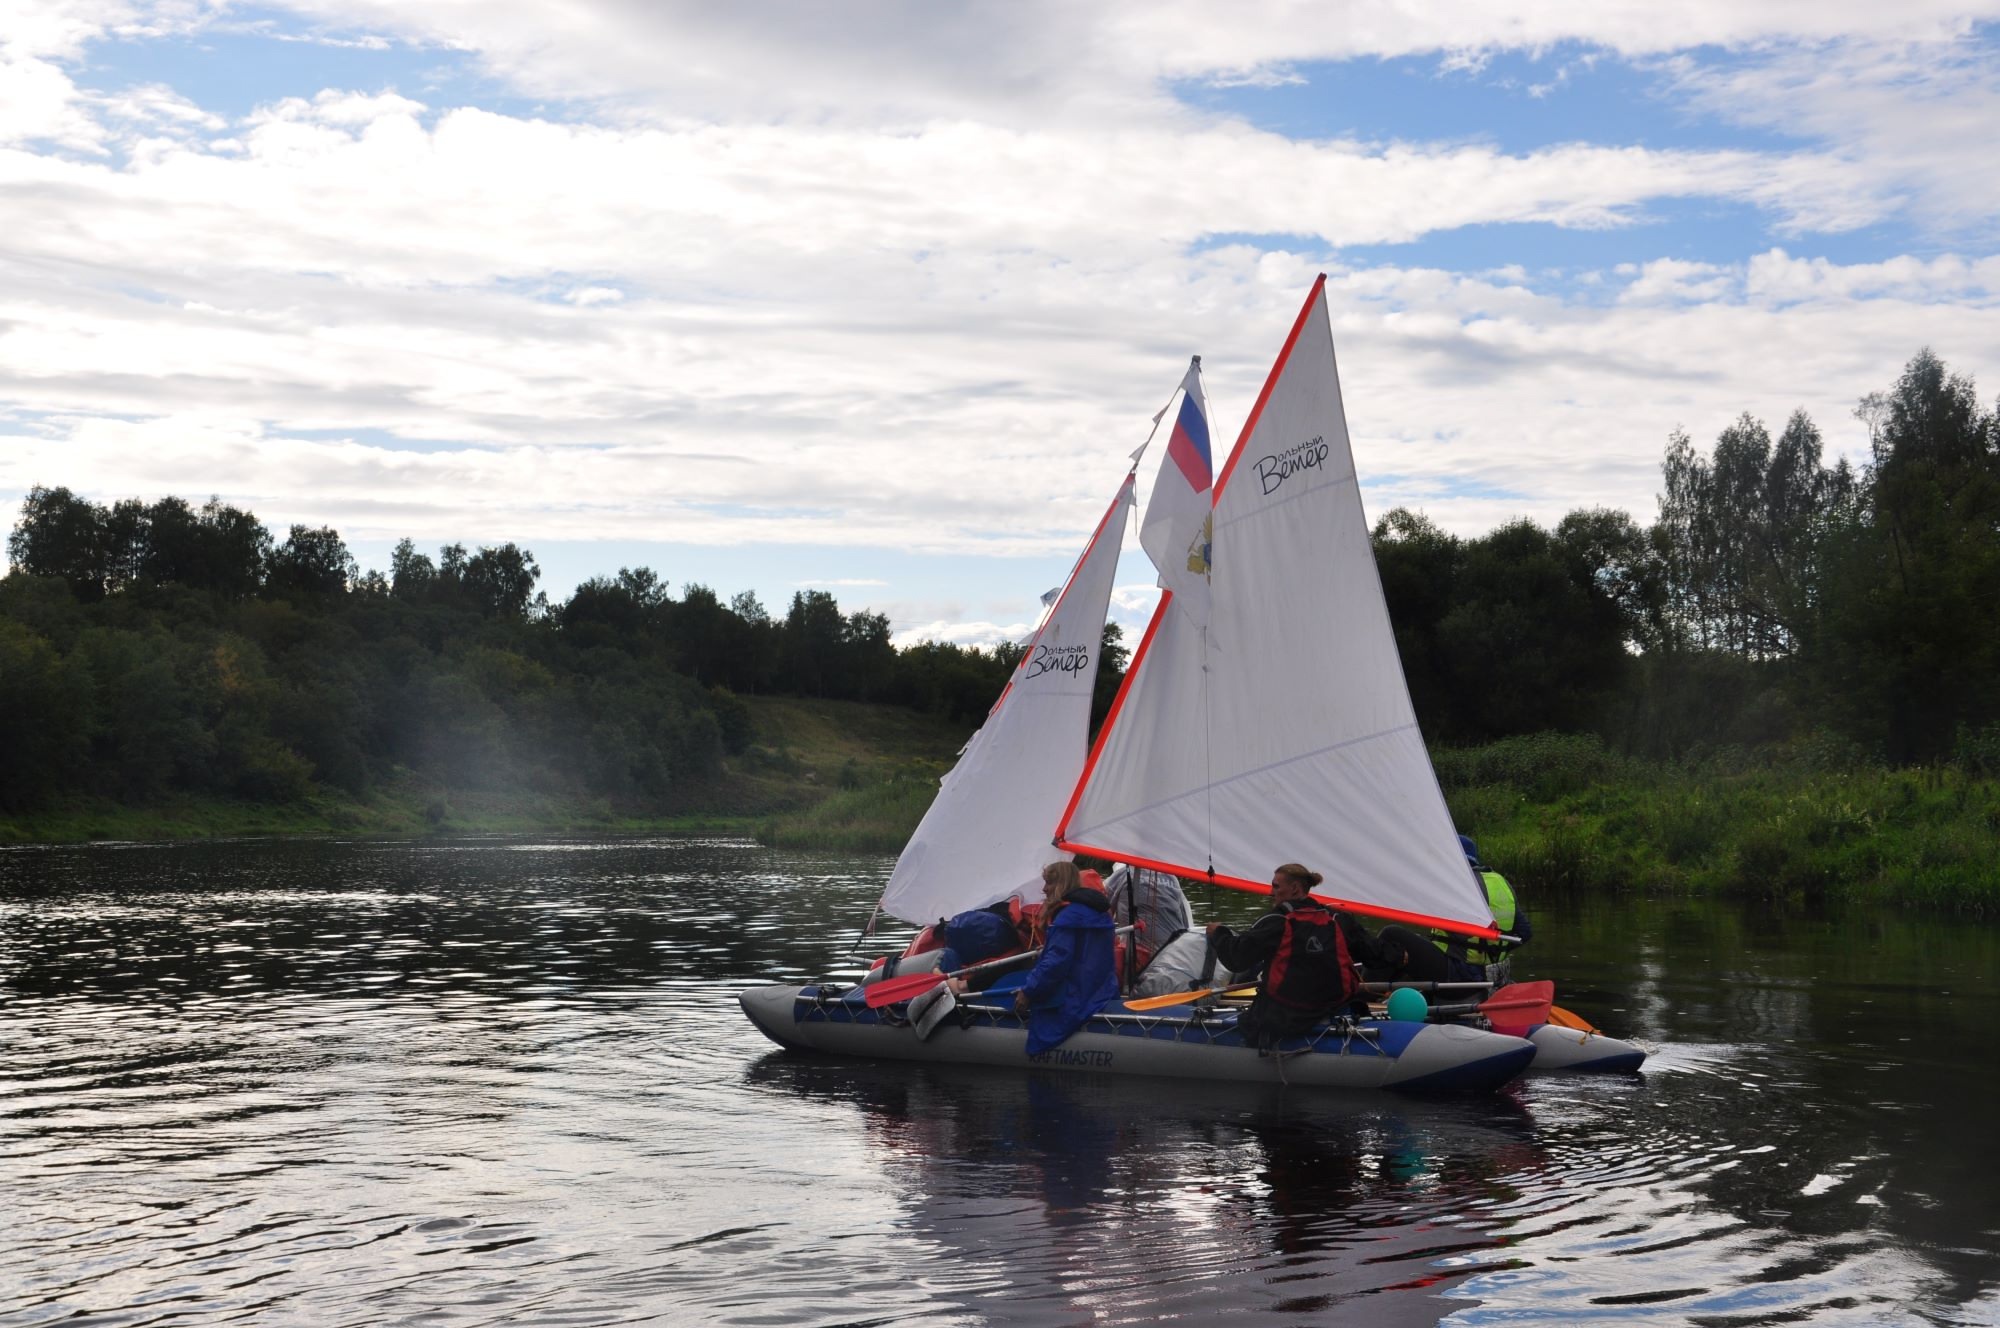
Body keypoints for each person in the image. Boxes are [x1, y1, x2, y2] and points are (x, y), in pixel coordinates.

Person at [958, 861, 1118, 1055]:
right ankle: (964, 986)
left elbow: (1057, 963)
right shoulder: (1097, 911)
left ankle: (962, 988)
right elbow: (1087, 951)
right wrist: (1050, 947)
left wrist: (1029, 992)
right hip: (1101, 988)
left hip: (1076, 992)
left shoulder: (1068, 917)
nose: (1044, 889)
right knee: (1026, 962)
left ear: (1061, 884)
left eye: (1049, 883)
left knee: (1016, 976)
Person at [1205, 863, 1360, 1049]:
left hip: (1285, 1017)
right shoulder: (1336, 918)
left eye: (1276, 886)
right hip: (1330, 1009)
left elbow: (1237, 959)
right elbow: (1374, 954)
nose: (1271, 892)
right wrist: (1401, 956)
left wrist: (1219, 934)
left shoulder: (1276, 920)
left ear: (1294, 888)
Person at [1375, 835, 1531, 984]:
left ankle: (1362, 995)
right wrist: (1494, 950)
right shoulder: (1501, 882)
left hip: (1458, 974)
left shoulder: (1451, 885)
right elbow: (1525, 933)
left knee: (1391, 935)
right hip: (1492, 974)